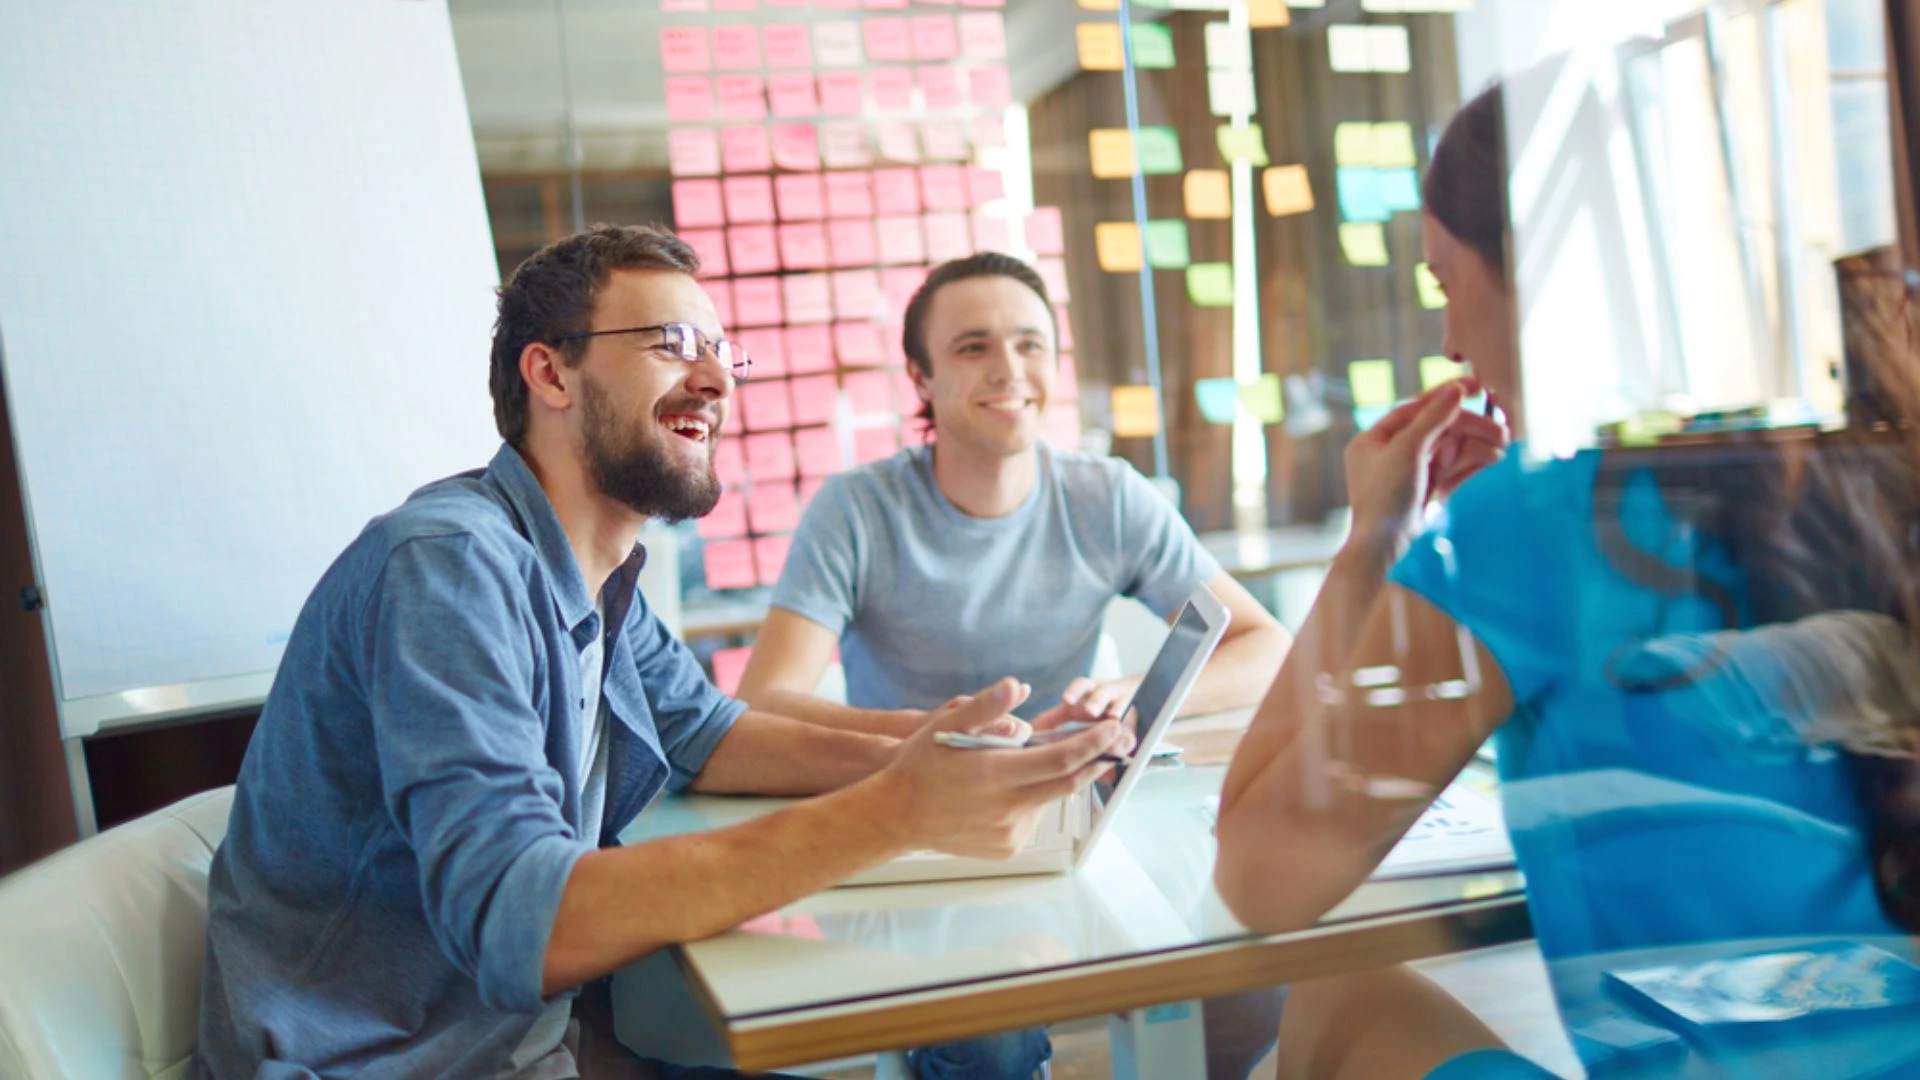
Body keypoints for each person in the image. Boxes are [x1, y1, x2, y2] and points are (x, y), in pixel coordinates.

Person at [189, 225, 1132, 1079]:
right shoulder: (450, 566)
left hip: (530, 1046)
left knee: (954, 1035)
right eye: (672, 345)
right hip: (376, 1065)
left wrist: (946, 759)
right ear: (550, 376)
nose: (718, 380)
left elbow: (709, 732)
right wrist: (894, 810)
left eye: (722, 352)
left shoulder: (596, 568)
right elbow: (522, 921)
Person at [1214, 83, 1920, 1079]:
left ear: (1540, 276)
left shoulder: (1532, 526)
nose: (1452, 341)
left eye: (1448, 283)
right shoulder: (1880, 475)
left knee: (1338, 995)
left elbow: (1256, 875)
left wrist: (1376, 537)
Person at [735, 253, 1297, 1078]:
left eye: (1031, 344)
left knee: (1248, 963)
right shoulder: (857, 511)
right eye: (973, 347)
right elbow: (765, 700)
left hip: (1079, 824)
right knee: (991, 1040)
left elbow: (1263, 644)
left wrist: (1134, 706)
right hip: (920, 841)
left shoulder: (1107, 497)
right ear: (920, 380)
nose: (1009, 369)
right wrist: (944, 736)